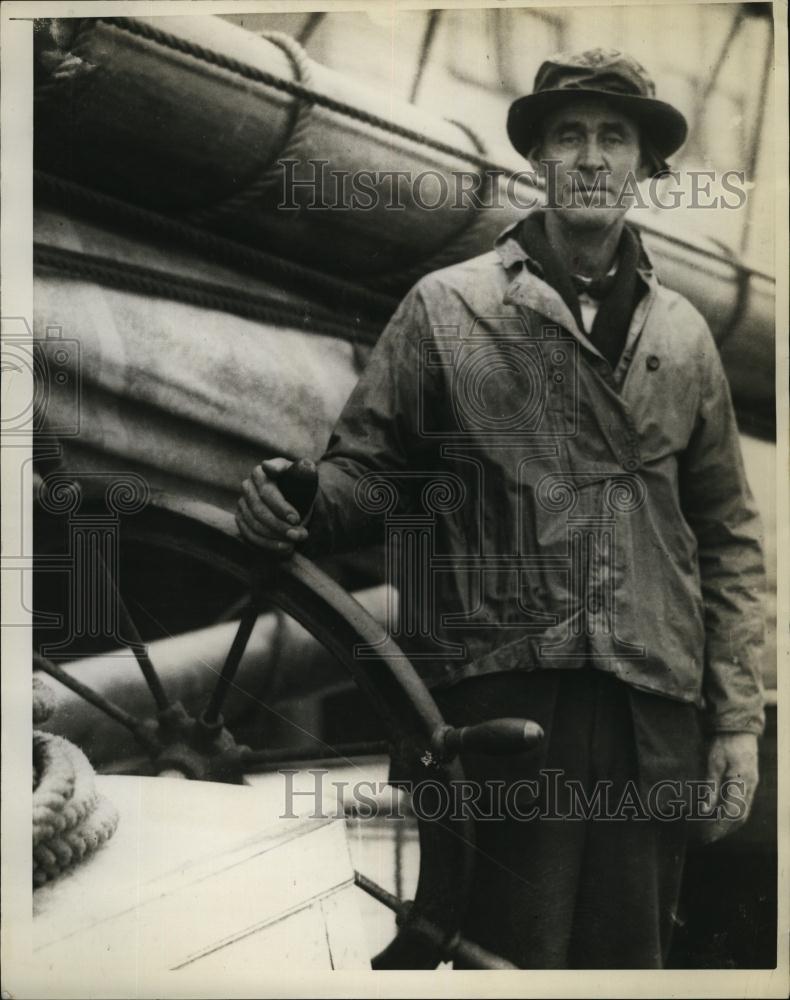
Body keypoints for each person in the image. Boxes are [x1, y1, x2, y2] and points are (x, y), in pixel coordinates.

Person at [236, 49, 766, 969]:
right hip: (503, 703)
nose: (593, 158)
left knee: (628, 969)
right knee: (497, 963)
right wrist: (299, 501)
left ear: (644, 169)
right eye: (570, 137)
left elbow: (728, 542)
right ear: (539, 161)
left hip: (652, 715)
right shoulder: (449, 309)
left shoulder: (684, 339)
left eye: (614, 138)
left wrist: (738, 723)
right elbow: (369, 477)